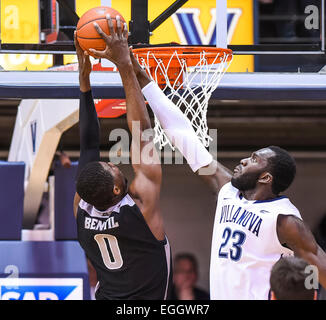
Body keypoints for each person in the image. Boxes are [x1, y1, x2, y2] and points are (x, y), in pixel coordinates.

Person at [129, 51, 326, 300]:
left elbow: (319, 268)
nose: (244, 160)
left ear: (266, 178)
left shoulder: (285, 220)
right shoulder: (228, 191)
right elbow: (183, 135)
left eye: (254, 160)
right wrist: (141, 77)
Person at [73, 16, 172, 300]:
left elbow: (88, 145)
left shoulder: (83, 209)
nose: (115, 163)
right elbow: (139, 135)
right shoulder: (138, 207)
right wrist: (123, 65)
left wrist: (85, 82)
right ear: (117, 189)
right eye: (112, 167)